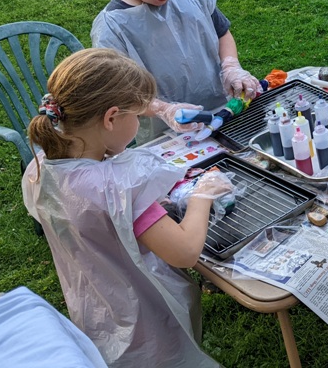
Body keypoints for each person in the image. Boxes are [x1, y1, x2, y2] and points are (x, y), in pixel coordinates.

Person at [22, 48, 228, 368]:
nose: (138, 119)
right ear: (110, 118)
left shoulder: (43, 165)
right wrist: (204, 194)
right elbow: (185, 251)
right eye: (135, 114)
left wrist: (157, 108)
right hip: (147, 323)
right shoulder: (120, 189)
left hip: (94, 302)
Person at [91, 0, 260, 143]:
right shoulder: (112, 27)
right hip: (168, 135)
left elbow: (222, 33)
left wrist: (231, 67)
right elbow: (122, 92)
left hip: (224, 110)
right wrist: (164, 110)